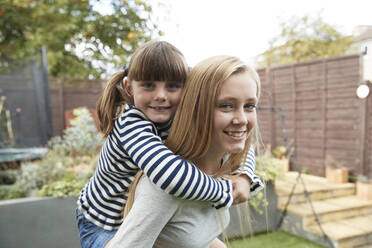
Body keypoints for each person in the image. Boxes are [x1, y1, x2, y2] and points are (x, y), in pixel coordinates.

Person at [76, 41, 263, 248]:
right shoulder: (130, 123)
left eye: (173, 86)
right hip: (102, 221)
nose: (161, 95)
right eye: (148, 85)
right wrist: (225, 192)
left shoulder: (171, 118)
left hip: (134, 216)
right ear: (129, 87)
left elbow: (246, 147)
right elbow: (169, 176)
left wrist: (245, 177)